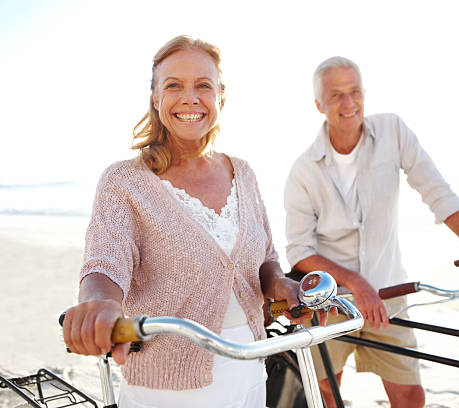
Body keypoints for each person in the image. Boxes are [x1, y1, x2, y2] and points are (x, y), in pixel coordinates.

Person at [62, 35, 314, 408]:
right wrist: (98, 303)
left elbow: (265, 260)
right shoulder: (124, 181)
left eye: (203, 85)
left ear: (220, 99)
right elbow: (104, 264)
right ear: (156, 98)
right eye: (174, 85)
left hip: (250, 368)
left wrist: (280, 285)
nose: (190, 97)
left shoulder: (242, 172)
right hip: (167, 387)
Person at [284, 56, 459, 408]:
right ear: (319, 104)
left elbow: (436, 191)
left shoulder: (392, 131)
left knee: (410, 396)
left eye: (354, 92)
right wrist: (357, 284)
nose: (348, 104)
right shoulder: (303, 170)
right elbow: (299, 251)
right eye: (336, 95)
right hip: (331, 304)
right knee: (327, 393)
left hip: (389, 294)